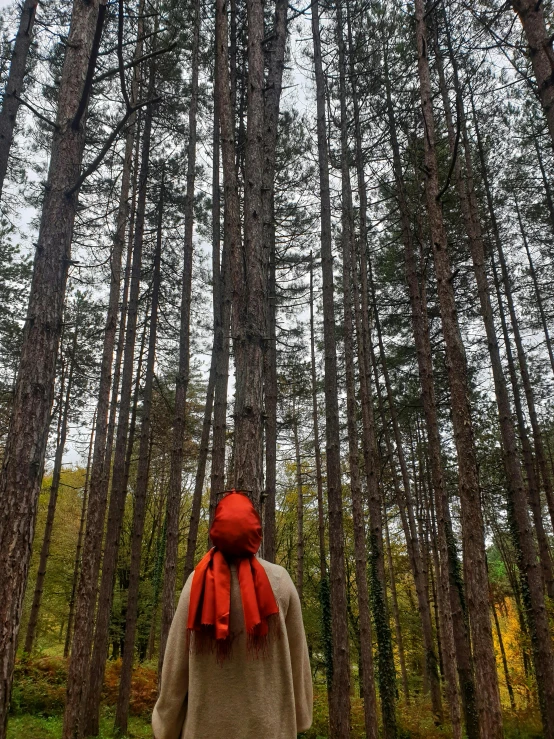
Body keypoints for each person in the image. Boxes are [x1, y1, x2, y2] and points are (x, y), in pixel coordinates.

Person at [152, 490, 313, 739]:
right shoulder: (281, 580)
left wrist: (166, 726)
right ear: (255, 531)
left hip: (204, 729)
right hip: (269, 729)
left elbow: (176, 665)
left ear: (216, 529)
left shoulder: (197, 581)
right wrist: (301, 716)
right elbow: (298, 658)